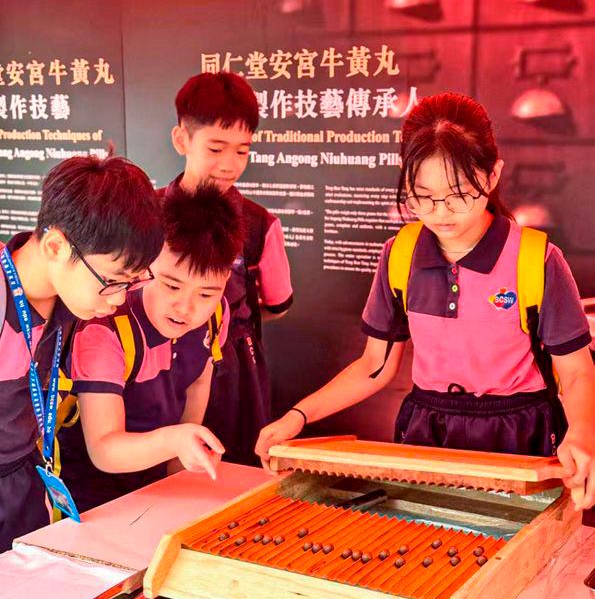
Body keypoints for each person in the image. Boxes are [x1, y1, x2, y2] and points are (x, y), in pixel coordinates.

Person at [256, 92, 595, 510]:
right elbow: (373, 367)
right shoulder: (400, 254)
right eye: (422, 196)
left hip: (519, 435)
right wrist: (298, 416)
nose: (440, 213)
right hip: (428, 432)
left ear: (491, 176)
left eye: (458, 194)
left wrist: (582, 433)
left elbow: (577, 371)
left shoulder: (536, 259)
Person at [0, 153, 164, 551]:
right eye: (112, 281)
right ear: (56, 245)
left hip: (25, 490)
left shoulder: (71, 303)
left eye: (131, 282)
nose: (119, 299)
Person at [58, 183, 244, 512]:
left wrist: (179, 472)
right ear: (146, 264)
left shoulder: (217, 313)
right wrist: (176, 439)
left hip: (158, 489)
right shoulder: (106, 327)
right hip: (93, 500)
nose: (186, 308)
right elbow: (104, 449)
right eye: (172, 285)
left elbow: (199, 381)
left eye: (206, 293)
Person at [162, 70, 293, 466]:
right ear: (182, 139)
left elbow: (278, 304)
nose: (230, 164)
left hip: (234, 373)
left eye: (242, 150)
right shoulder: (146, 215)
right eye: (216, 148)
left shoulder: (260, 224)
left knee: (232, 471)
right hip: (156, 367)